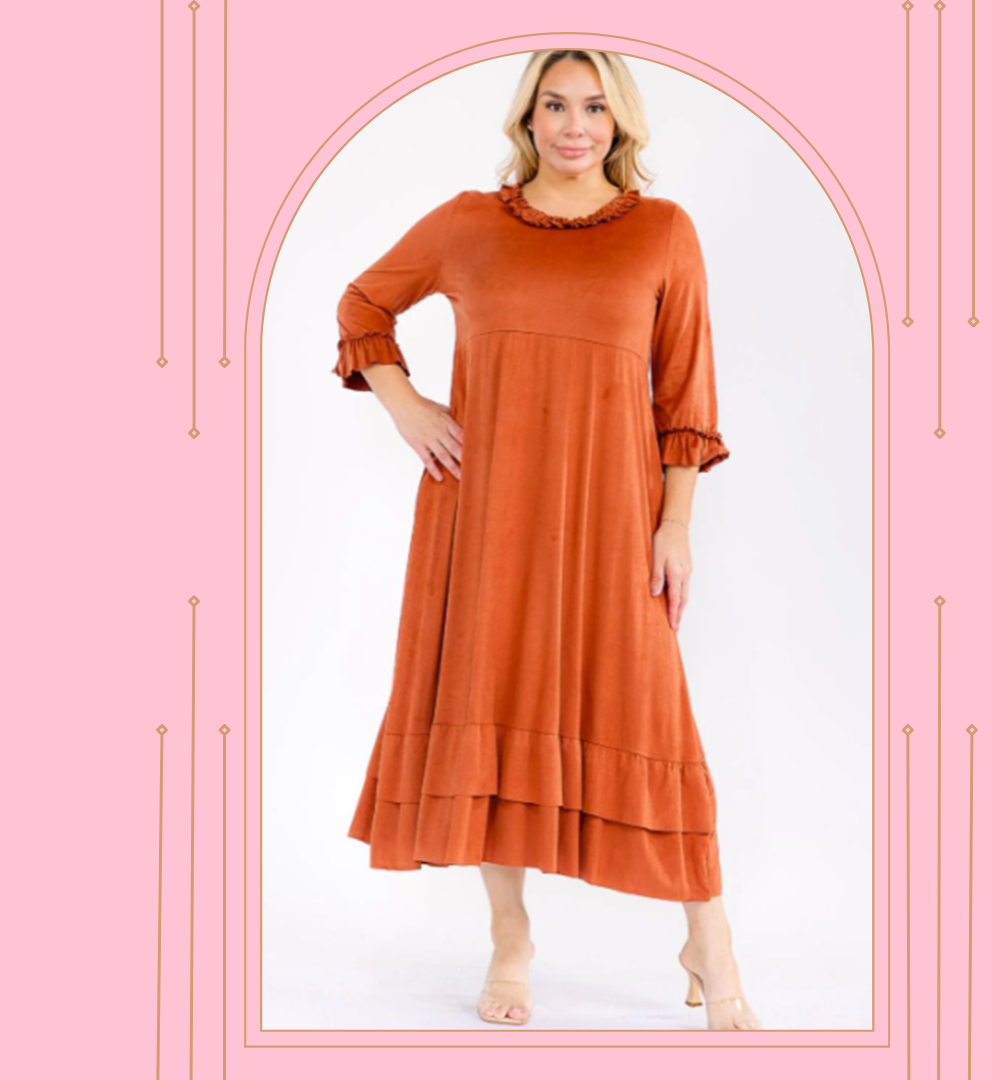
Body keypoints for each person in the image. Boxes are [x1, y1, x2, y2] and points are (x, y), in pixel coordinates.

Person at [333, 48, 762, 1032]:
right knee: (493, 698)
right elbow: (363, 304)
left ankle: (710, 937)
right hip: (485, 512)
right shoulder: (468, 224)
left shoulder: (663, 231)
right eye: (556, 105)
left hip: (615, 521)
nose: (575, 126)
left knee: (655, 715)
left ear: (622, 123)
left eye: (596, 108)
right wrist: (405, 405)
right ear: (527, 118)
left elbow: (686, 395)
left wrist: (676, 525)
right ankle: (511, 935)